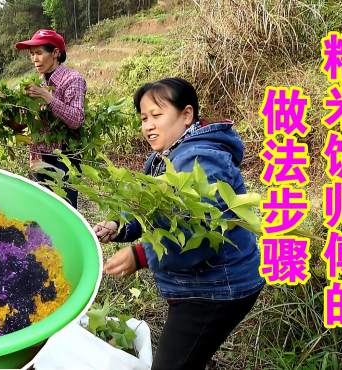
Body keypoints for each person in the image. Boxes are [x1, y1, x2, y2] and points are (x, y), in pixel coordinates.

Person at [93, 77, 265, 370]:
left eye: (157, 115)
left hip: (218, 288)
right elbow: (152, 208)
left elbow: (200, 232)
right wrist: (119, 225)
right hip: (198, 283)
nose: (148, 125)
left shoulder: (201, 161)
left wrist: (141, 255)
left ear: (186, 115)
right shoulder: (164, 159)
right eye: (144, 118)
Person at [15, 29, 87, 209]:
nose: (34, 59)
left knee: (65, 211)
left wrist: (47, 97)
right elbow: (26, 123)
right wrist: (11, 108)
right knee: (43, 210)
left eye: (39, 53)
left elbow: (77, 118)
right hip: (39, 157)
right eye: (32, 54)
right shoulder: (35, 82)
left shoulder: (73, 79)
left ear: (55, 53)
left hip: (65, 159)